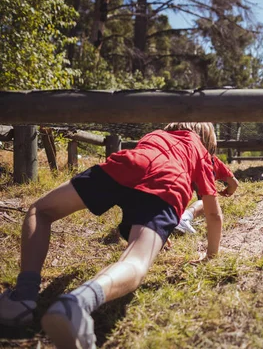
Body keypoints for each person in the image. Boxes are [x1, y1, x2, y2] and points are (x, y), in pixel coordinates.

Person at [0, 122, 223, 349]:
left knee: (41, 210)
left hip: (129, 162)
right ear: (206, 139)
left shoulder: (157, 134)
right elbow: (213, 213)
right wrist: (211, 254)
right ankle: (78, 303)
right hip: (169, 180)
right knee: (136, 261)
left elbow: (139, 183)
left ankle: (23, 297)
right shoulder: (199, 149)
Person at [175, 155, 239, 234]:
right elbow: (234, 183)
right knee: (205, 203)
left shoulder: (181, 153)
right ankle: (184, 217)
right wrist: (227, 192)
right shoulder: (211, 159)